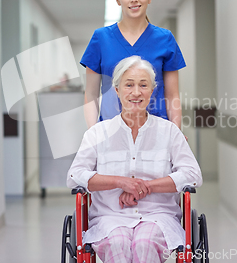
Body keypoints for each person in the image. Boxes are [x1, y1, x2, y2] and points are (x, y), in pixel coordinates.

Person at [67, 56, 202, 263]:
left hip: (158, 217)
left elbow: (193, 175)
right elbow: (75, 176)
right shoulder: (97, 133)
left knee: (144, 244)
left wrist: (145, 186)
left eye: (143, 85)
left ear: (152, 91)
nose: (136, 92)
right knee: (118, 244)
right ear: (117, 90)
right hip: (110, 217)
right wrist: (120, 182)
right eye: (129, 85)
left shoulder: (169, 132)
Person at [81, 0, 186, 130]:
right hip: (111, 135)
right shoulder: (101, 39)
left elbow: (172, 96)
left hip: (157, 135)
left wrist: (175, 134)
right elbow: (91, 95)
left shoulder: (165, 39)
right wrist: (93, 134)